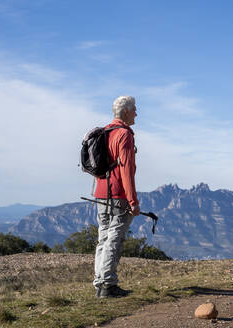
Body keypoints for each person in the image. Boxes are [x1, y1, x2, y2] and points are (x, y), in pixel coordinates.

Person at [92, 95, 140, 298]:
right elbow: (126, 171)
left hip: (100, 193)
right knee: (114, 239)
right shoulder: (124, 135)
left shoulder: (104, 132)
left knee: (103, 238)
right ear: (126, 111)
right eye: (135, 109)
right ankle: (108, 285)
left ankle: (99, 284)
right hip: (118, 194)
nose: (137, 113)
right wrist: (133, 201)